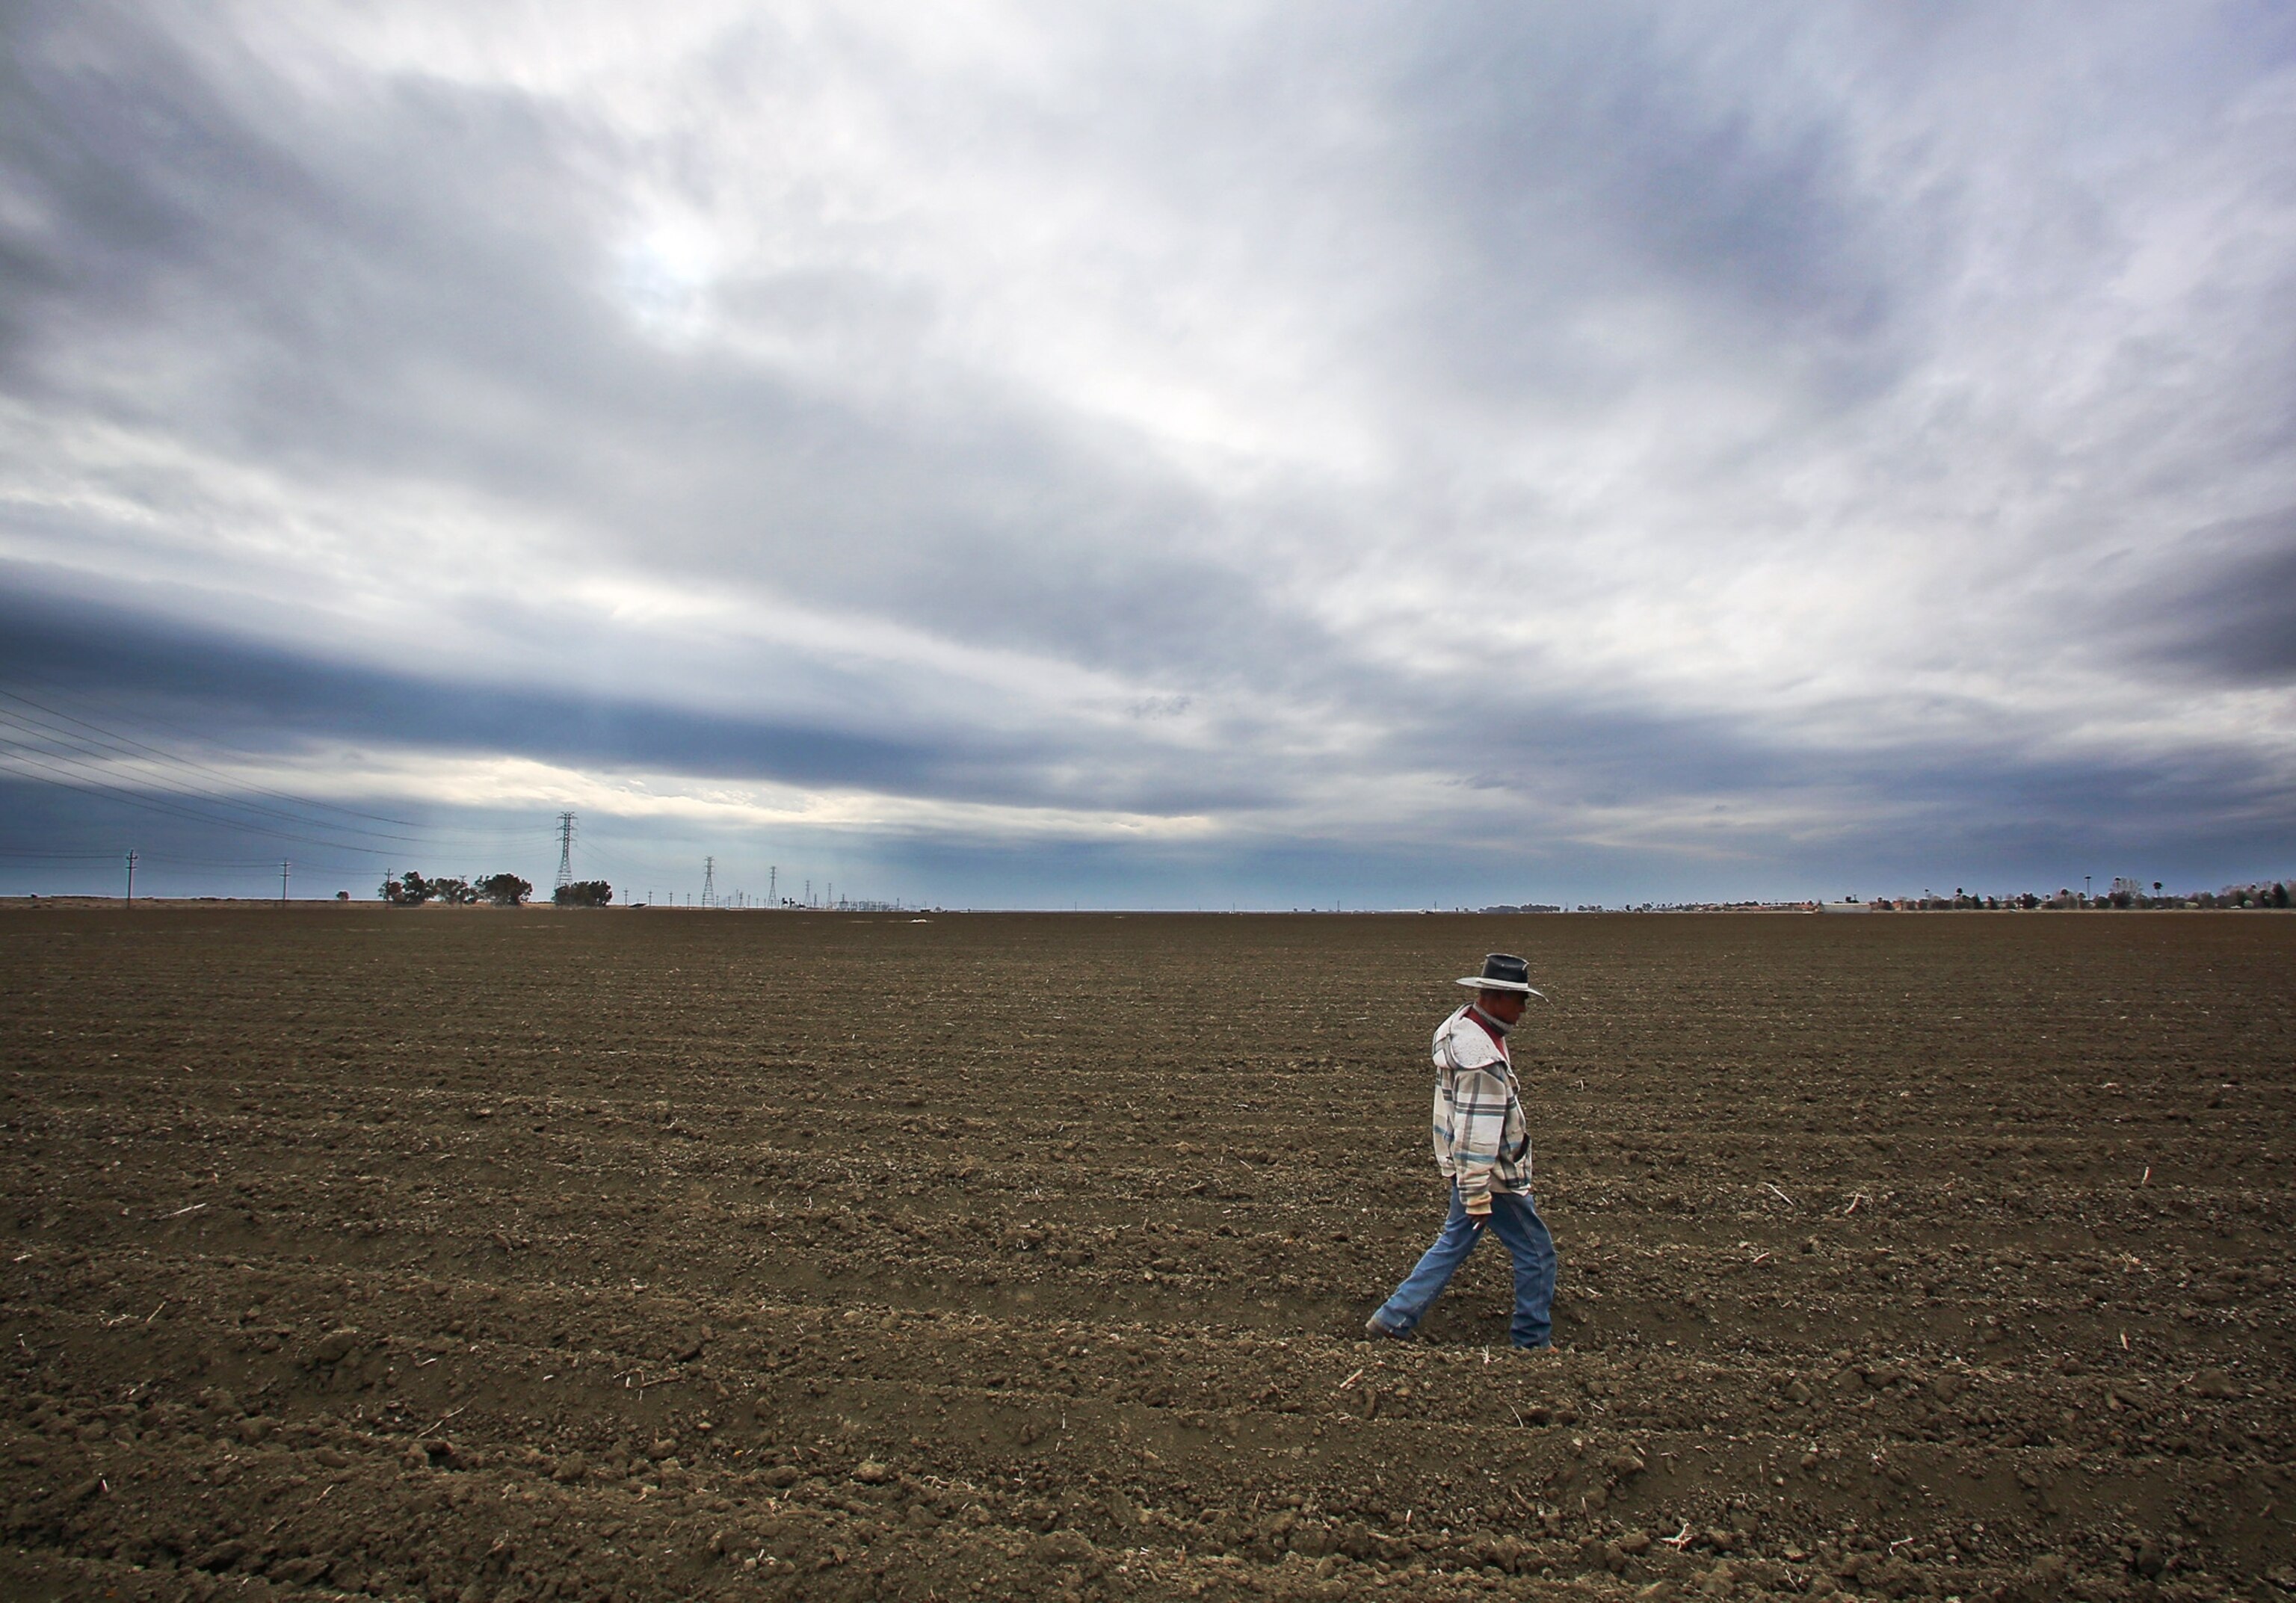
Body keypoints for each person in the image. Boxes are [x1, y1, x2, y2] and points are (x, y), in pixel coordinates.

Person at [1366, 952, 1558, 1350]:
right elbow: (1477, 1132)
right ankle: (1532, 1341)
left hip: (1469, 1170)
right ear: (1495, 996)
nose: (1523, 1009)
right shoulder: (1480, 1061)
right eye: (1519, 999)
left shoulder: (1463, 1030)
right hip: (1493, 1177)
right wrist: (1476, 1193)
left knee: (1454, 1242)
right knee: (1537, 1253)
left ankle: (1393, 1318)